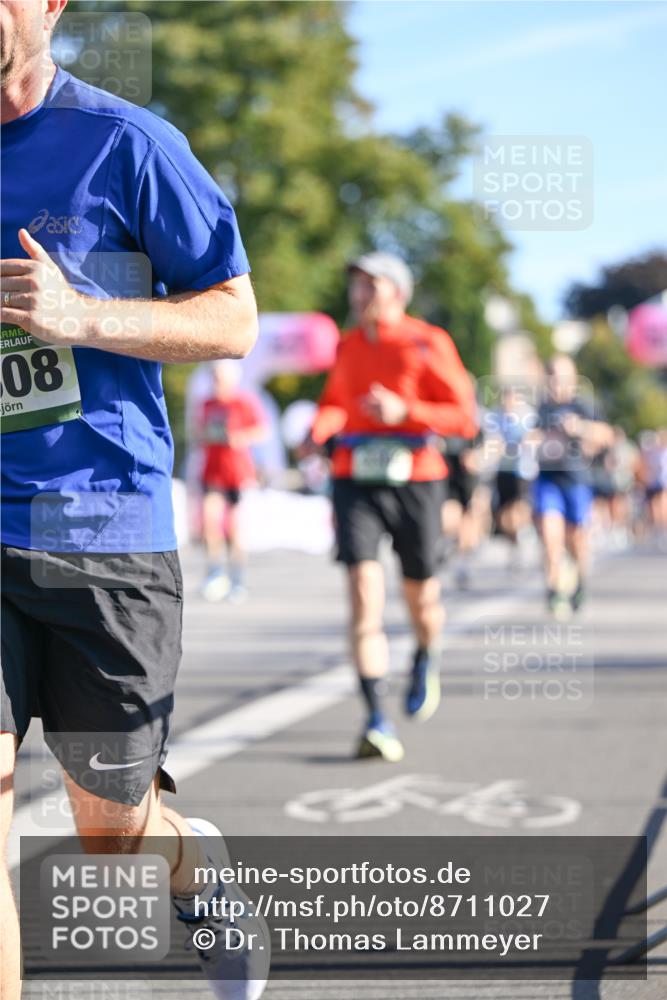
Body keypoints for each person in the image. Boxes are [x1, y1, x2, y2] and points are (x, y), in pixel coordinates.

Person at [0, 3, 268, 998]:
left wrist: (80, 314)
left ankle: (192, 867)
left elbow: (233, 316)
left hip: (100, 524)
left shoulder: (128, 144)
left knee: (109, 830)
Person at [306, 252, 477, 761]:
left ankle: (427, 650)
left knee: (421, 597)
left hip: (417, 478)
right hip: (355, 476)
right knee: (363, 591)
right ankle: (376, 718)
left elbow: (465, 417)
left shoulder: (429, 341)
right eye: (355, 285)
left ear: (397, 292)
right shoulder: (348, 344)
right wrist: (318, 431)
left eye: (370, 285)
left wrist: (407, 411)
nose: (359, 294)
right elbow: (336, 401)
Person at [532, 355, 612, 618]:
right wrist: (535, 441)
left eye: (562, 375)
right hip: (548, 479)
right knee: (550, 534)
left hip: (576, 479)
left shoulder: (583, 405)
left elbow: (607, 435)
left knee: (577, 539)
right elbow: (530, 437)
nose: (557, 381)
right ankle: (554, 589)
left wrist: (581, 428)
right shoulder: (541, 409)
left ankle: (579, 582)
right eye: (552, 375)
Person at [198, 359, 267, 603]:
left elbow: (261, 430)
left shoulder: (242, 402)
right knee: (209, 522)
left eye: (221, 378)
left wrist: (241, 437)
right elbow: (200, 433)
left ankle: (238, 579)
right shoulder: (206, 403)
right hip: (212, 470)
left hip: (237, 472)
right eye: (214, 378)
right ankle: (215, 574)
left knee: (235, 529)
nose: (217, 383)